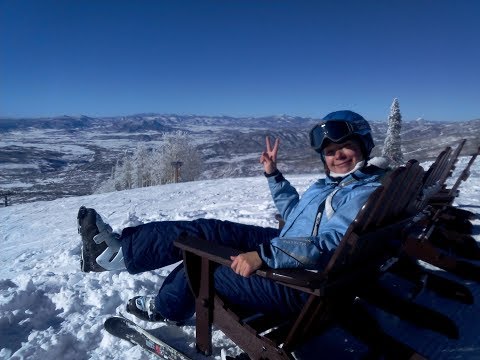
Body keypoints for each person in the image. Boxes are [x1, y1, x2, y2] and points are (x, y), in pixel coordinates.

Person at [78, 110, 389, 323]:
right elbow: (297, 216)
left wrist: (265, 255)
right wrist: (274, 175)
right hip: (296, 252)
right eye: (330, 151)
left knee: (204, 259)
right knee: (211, 230)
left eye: (345, 147)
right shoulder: (340, 184)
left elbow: (333, 243)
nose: (337, 156)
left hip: (302, 281)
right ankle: (121, 252)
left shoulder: (364, 191)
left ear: (364, 146)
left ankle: (165, 308)